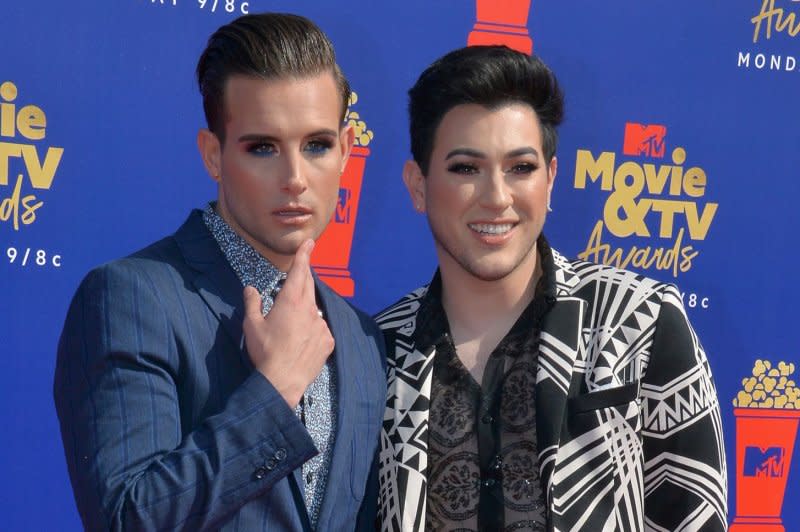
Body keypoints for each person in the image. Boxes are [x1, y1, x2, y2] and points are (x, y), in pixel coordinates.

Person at [53, 13, 385, 531]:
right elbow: (127, 519)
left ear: (345, 151)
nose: (295, 178)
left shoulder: (362, 337)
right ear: (213, 155)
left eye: (316, 145)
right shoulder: (131, 298)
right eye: (262, 148)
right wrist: (276, 390)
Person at [374, 45, 727, 531]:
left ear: (551, 179)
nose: (497, 197)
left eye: (521, 168)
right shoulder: (378, 350)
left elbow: (695, 514)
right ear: (418, 185)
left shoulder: (640, 321)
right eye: (465, 168)